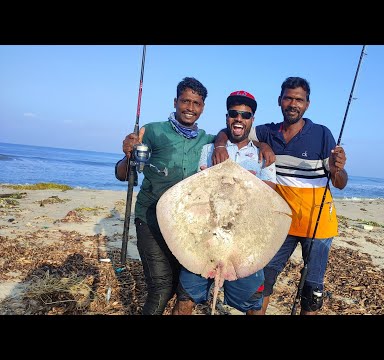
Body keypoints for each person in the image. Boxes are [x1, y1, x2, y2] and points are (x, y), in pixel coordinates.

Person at [213, 77, 348, 315]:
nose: (293, 104)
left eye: (299, 99)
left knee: (311, 291)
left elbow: (340, 183)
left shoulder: (321, 134)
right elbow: (231, 130)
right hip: (281, 222)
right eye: (288, 98)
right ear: (280, 101)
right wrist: (221, 146)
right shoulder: (268, 131)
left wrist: (338, 169)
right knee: (263, 282)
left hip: (318, 225)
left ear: (307, 104)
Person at [115, 77, 216, 315]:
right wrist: (127, 155)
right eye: (185, 101)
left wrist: (263, 147)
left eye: (196, 103)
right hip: (150, 220)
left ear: (202, 107)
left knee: (175, 287)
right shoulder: (151, 131)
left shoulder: (207, 140)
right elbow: (121, 175)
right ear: (175, 101)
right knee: (160, 288)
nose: (190, 108)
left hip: (184, 225)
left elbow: (232, 138)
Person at [172, 90, 277, 315]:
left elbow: (269, 196)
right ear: (227, 117)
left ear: (252, 120)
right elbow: (194, 191)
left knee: (253, 303)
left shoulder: (263, 155)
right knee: (186, 298)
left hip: (245, 243)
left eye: (245, 115)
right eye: (234, 113)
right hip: (205, 240)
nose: (239, 119)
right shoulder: (209, 149)